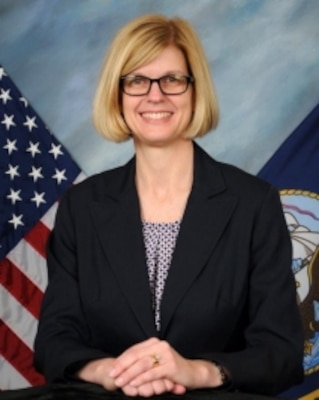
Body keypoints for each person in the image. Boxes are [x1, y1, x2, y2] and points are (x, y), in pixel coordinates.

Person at [34, 13, 304, 397]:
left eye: (172, 80)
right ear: (118, 93)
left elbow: (282, 353)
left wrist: (196, 371)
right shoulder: (82, 206)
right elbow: (55, 340)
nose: (154, 95)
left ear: (196, 91)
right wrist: (110, 370)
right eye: (137, 81)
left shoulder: (253, 204)